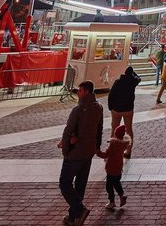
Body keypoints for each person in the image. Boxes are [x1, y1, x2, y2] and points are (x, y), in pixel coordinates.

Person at [57, 80, 104, 226]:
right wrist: (96, 146)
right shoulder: (99, 107)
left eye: (80, 90)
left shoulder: (78, 110)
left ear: (86, 92)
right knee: (80, 184)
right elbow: (99, 129)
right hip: (88, 151)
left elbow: (68, 130)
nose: (78, 93)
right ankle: (74, 217)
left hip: (75, 152)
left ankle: (79, 209)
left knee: (65, 183)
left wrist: (66, 149)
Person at [107, 66, 140, 158]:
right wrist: (133, 74)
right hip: (128, 109)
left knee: (114, 129)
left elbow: (111, 95)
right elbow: (139, 78)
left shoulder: (118, 82)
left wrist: (111, 107)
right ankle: (128, 151)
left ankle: (112, 149)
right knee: (129, 129)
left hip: (116, 109)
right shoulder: (133, 82)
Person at [97, 124, 130, 210]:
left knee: (109, 186)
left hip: (111, 168)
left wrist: (97, 152)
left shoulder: (113, 144)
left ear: (115, 134)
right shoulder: (122, 145)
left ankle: (112, 202)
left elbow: (106, 155)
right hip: (118, 168)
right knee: (116, 182)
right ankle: (122, 195)